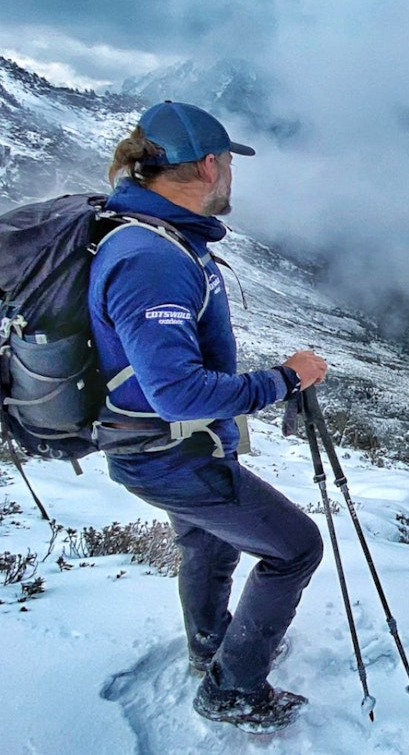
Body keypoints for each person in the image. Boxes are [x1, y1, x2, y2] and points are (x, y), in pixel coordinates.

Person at [88, 101, 327, 733]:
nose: (230, 180)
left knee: (208, 539)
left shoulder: (152, 234)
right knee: (296, 548)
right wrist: (284, 379)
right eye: (228, 166)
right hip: (169, 452)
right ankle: (233, 688)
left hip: (159, 445)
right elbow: (178, 393)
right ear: (210, 165)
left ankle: (209, 647)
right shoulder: (152, 258)